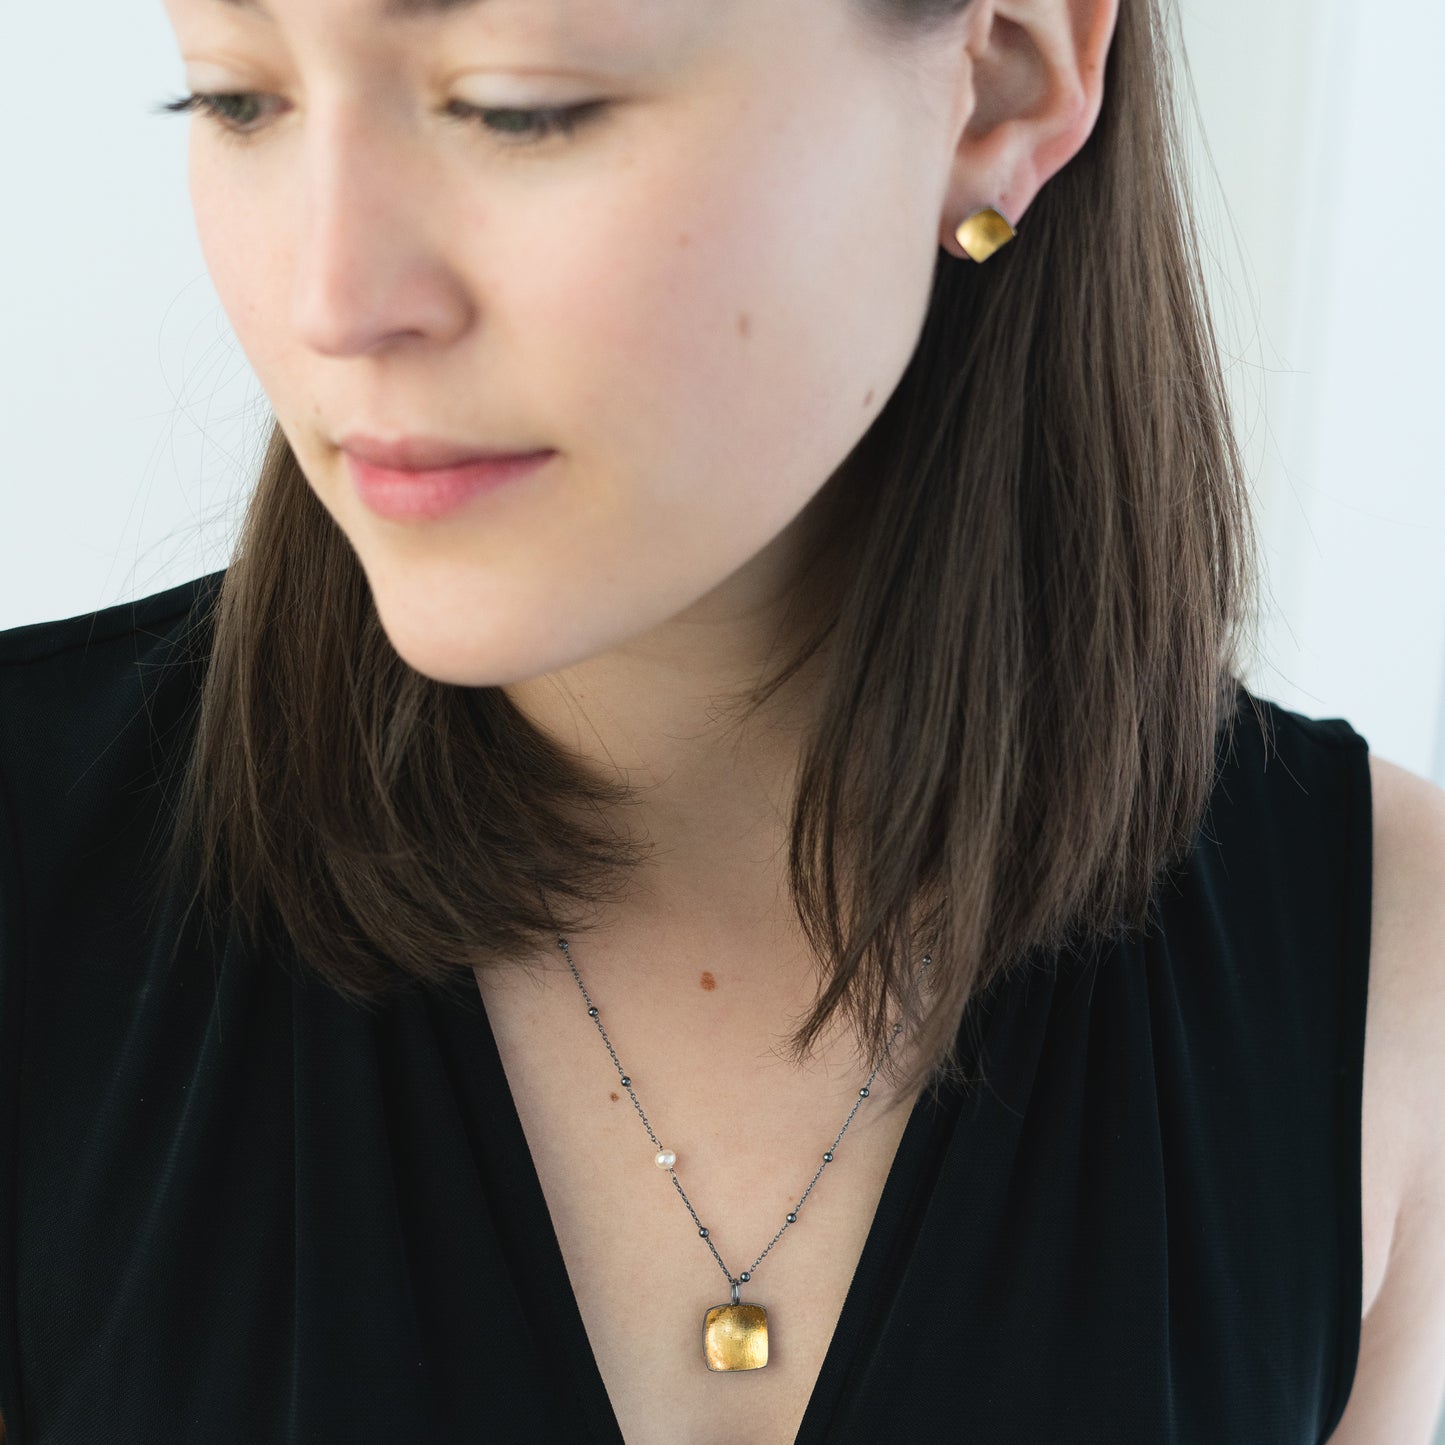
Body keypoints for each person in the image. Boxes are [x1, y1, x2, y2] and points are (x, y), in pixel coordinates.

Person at [2, 0, 1444, 1439]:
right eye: (239, 96)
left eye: (516, 105)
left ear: (1003, 78)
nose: (335, 302)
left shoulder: (1394, 982)